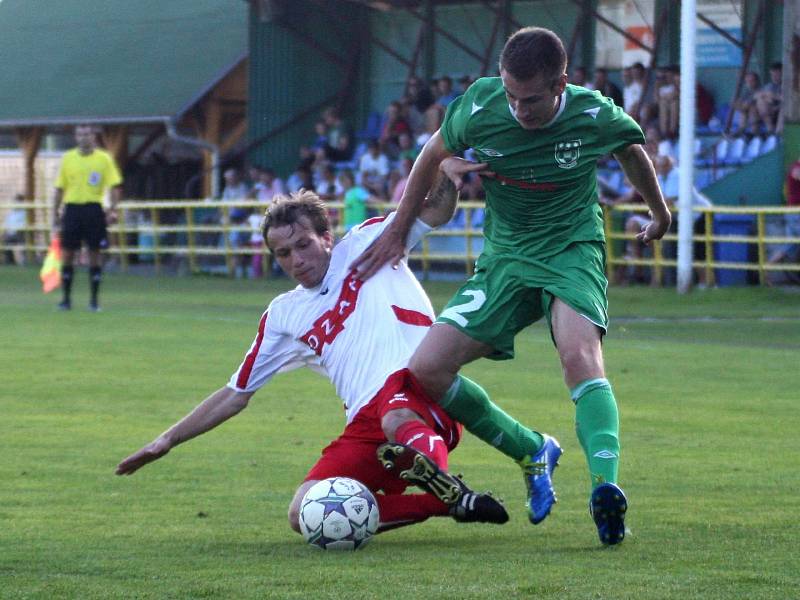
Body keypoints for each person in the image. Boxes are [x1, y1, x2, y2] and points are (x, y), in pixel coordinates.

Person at [351, 26, 670, 545]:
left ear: (562, 82)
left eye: (533, 99)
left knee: (578, 357)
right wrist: (398, 231)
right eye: (512, 96)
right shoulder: (480, 105)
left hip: (570, 249)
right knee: (427, 368)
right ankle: (530, 449)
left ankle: (605, 490)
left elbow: (631, 151)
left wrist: (660, 214)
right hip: (506, 256)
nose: (520, 110)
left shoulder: (593, 114)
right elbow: (431, 155)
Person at [116, 182, 509, 536]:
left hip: (421, 389)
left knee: (396, 413)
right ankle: (447, 499)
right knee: (303, 510)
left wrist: (448, 172)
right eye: (283, 253)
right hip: (365, 420)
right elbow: (235, 393)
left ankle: (432, 470)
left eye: (303, 244)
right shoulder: (284, 314)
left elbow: (437, 210)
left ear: (326, 236)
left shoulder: (368, 241)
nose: (295, 260)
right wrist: (166, 440)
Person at [52, 124, 123, 312]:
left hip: (93, 209)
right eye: (80, 134)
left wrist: (113, 210)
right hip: (73, 209)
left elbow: (115, 185)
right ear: (76, 137)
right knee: (67, 253)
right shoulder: (68, 158)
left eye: (87, 134)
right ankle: (66, 299)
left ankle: (94, 300)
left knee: (95, 253)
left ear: (94, 137)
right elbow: (59, 188)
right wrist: (55, 213)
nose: (84, 138)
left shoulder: (104, 159)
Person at [754, 62, 783, 135]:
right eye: (772, 75)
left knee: (783, 109)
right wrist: (766, 96)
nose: (774, 77)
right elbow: (756, 95)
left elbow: (790, 101)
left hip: (783, 110)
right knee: (760, 101)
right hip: (769, 111)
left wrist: (775, 96)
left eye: (776, 75)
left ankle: (777, 134)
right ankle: (768, 131)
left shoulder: (789, 84)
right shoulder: (770, 85)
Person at [3, 193, 27, 265]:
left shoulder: (24, 212)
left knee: (20, 239)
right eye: (15, 200)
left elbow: (24, 224)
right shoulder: (11, 213)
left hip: (19, 233)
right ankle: (9, 261)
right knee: (6, 239)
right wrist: (5, 232)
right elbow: (6, 224)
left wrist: (17, 231)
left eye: (18, 201)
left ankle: (23, 261)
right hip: (10, 233)